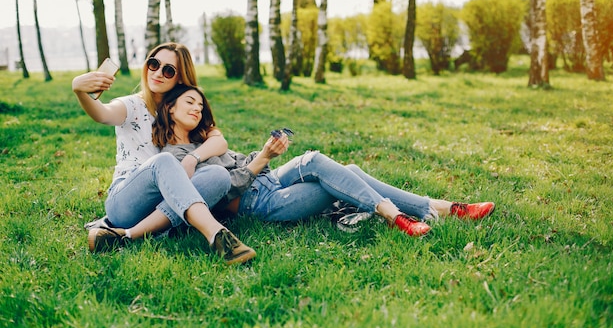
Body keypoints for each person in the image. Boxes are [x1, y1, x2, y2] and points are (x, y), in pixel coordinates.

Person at [151, 84, 495, 237]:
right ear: (169, 109)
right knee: (348, 175)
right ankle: (422, 211)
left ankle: (419, 211)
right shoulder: (173, 161)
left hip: (267, 180)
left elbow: (237, 158)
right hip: (259, 203)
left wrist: (263, 154)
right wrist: (259, 162)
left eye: (200, 104)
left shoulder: (204, 141)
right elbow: (222, 193)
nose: (197, 109)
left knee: (322, 163)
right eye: (189, 104)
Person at [71, 43, 255, 265]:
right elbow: (102, 114)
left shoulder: (185, 109)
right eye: (153, 64)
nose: (157, 73)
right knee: (164, 161)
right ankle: (217, 234)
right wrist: (79, 90)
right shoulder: (131, 105)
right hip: (126, 202)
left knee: (218, 175)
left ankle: (126, 237)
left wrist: (191, 158)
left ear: (180, 78)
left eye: (168, 70)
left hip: (165, 200)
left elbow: (218, 141)